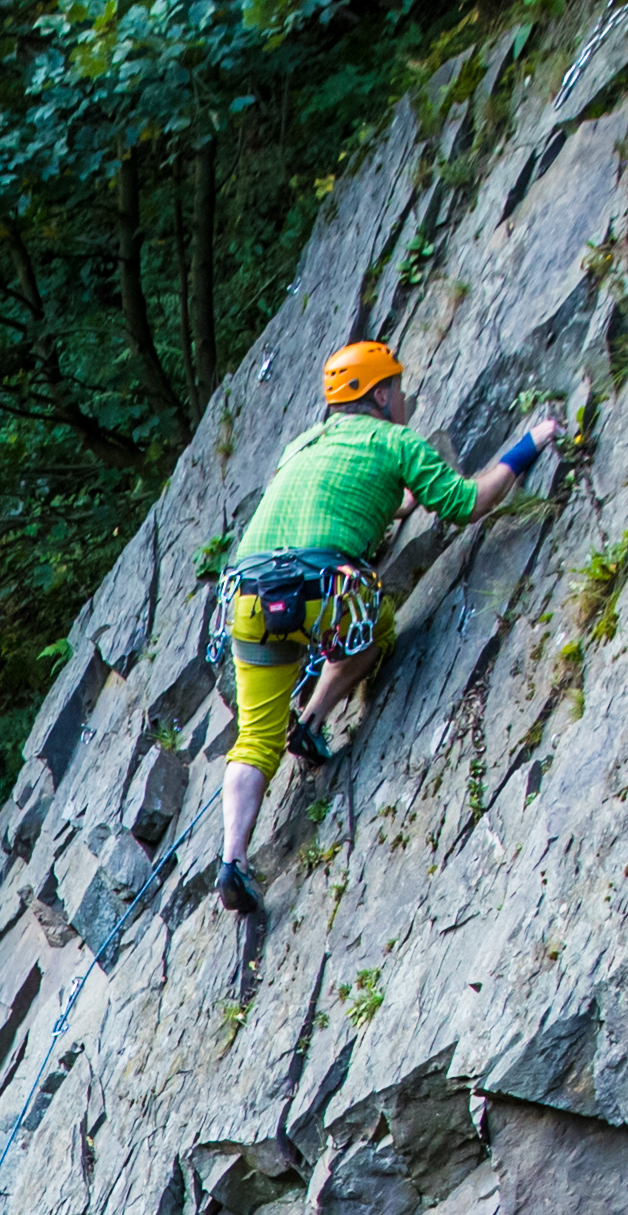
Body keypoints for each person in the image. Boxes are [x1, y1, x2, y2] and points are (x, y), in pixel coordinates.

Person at [209, 340, 565, 920]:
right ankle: (315, 718)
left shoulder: (305, 444)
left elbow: (346, 498)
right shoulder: (394, 442)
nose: (402, 395)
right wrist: (532, 442)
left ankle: (233, 863)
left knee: (253, 738)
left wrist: (393, 505)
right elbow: (466, 503)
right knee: (374, 627)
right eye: (396, 385)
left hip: (250, 595)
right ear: (379, 393)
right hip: (321, 592)